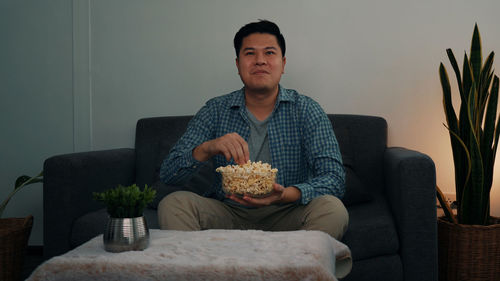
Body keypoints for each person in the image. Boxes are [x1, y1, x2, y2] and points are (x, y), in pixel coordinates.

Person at [158, 20, 348, 239]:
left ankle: (293, 268)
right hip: (228, 212)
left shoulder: (306, 110)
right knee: (174, 204)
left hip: (288, 212)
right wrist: (208, 148)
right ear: (238, 65)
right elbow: (169, 174)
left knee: (333, 209)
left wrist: (284, 194)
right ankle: (205, 271)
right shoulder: (216, 110)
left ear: (283, 64)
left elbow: (334, 179)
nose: (260, 61)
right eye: (250, 54)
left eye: (269, 53)